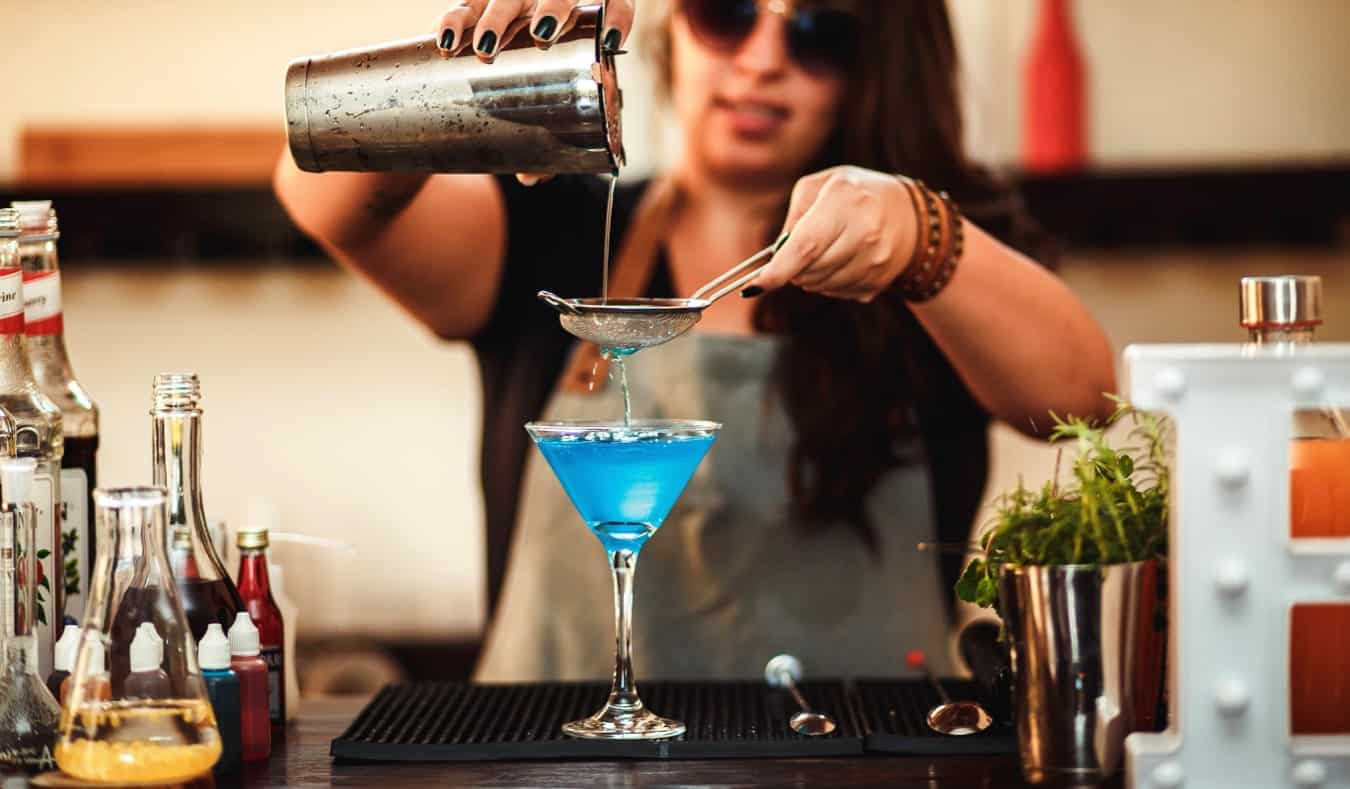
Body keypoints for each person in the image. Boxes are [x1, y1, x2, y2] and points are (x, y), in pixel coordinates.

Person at [274, 0, 1116, 680]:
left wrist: (922, 236)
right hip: (552, 767)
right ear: (675, 27)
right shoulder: (554, 227)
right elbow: (318, 193)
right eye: (726, 14)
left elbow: (1085, 397)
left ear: (877, 68)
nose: (760, 58)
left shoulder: (924, 258)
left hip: (867, 767)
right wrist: (473, 76)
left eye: (819, 32)